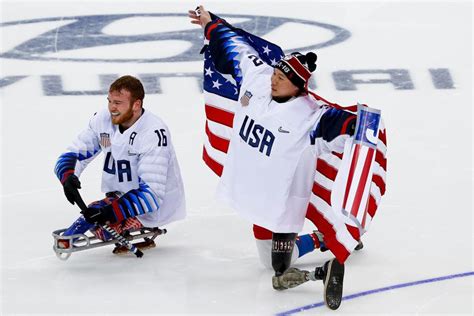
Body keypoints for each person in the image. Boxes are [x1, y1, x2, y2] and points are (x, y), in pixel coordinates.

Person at [189, 6, 386, 310]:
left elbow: (342, 123)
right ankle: (324, 237)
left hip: (282, 202)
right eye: (276, 73)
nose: (275, 80)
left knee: (277, 265)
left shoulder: (309, 117)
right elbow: (233, 46)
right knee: (269, 263)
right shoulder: (257, 78)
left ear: (299, 86)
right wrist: (211, 24)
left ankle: (325, 243)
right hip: (254, 192)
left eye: (282, 78)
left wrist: (362, 125)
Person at [54, 75, 186, 253]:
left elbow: (152, 194)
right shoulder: (105, 122)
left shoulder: (152, 133)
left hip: (153, 207)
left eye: (118, 103)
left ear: (136, 104)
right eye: (109, 101)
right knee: (97, 221)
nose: (111, 108)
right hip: (119, 195)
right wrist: (68, 175)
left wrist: (110, 212)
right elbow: (77, 152)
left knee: (100, 224)